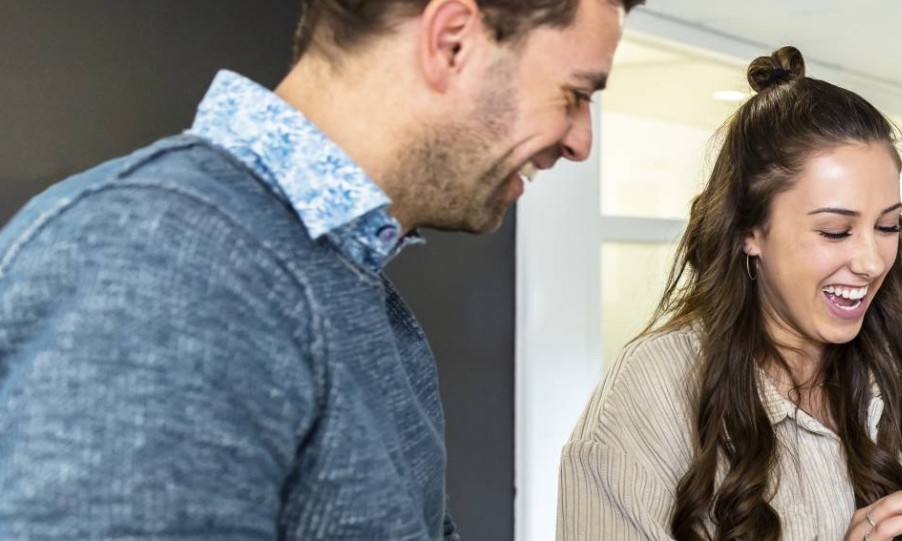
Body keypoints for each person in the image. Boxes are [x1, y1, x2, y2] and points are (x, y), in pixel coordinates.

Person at [0, 0, 642, 537]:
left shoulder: (352, 288)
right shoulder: (155, 260)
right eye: (575, 94)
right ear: (451, 41)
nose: (580, 142)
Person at [558, 47, 902, 541]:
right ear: (750, 230)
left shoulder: (900, 360)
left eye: (888, 225)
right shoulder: (650, 395)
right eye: (834, 231)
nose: (872, 262)